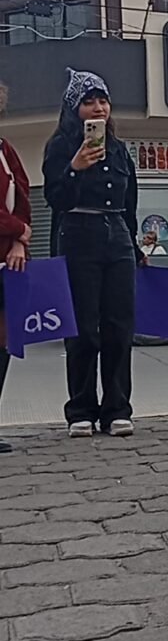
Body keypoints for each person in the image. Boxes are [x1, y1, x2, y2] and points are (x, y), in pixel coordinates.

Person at [43, 69, 140, 438]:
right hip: (77, 233)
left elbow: (130, 202)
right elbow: (55, 198)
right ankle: (80, 409)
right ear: (74, 107)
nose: (98, 108)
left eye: (103, 100)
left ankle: (117, 409)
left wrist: (134, 245)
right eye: (88, 101)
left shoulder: (118, 148)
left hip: (117, 234)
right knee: (83, 329)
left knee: (119, 327)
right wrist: (75, 168)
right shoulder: (60, 145)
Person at [0, 82, 32, 453]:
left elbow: (23, 197)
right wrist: (18, 229)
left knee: (4, 342)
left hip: (8, 260)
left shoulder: (6, 150)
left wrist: (19, 240)